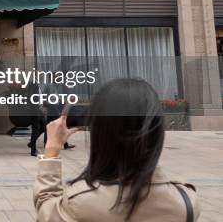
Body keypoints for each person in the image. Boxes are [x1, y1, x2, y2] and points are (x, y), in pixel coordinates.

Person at [34, 78, 200, 221]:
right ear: (157, 133)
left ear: (101, 134)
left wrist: (52, 150)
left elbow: (46, 210)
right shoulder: (186, 203)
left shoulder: (80, 203)